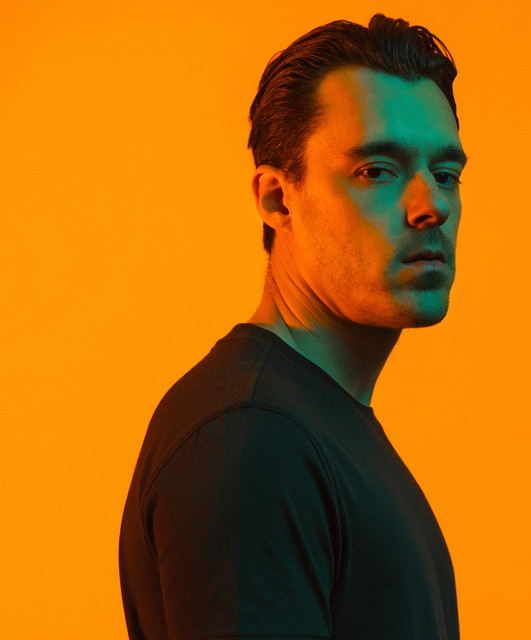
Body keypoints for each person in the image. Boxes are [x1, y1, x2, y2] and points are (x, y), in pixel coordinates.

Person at [119, 13, 468, 640]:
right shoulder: (252, 439)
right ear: (278, 198)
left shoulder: (313, 427)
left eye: (445, 174)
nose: (431, 205)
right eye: (376, 170)